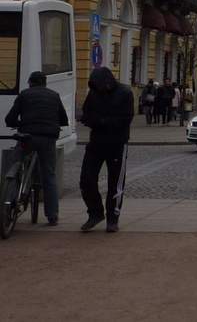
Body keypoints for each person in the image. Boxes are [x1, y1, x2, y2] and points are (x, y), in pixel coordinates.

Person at [4, 71, 68, 226]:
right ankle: (52, 215)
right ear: (45, 84)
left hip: (28, 136)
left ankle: (9, 201)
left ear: (30, 83)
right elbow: (64, 120)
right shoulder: (54, 95)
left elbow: (10, 118)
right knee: (49, 175)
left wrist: (21, 124)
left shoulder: (24, 95)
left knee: (15, 164)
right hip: (47, 138)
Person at [79, 66, 133, 233]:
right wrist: (88, 120)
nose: (99, 88)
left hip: (117, 143)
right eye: (96, 85)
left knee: (115, 184)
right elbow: (86, 111)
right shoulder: (94, 94)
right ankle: (95, 213)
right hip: (96, 143)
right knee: (86, 179)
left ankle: (113, 217)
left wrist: (102, 121)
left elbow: (126, 119)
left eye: (100, 85)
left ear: (108, 82)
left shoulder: (125, 93)